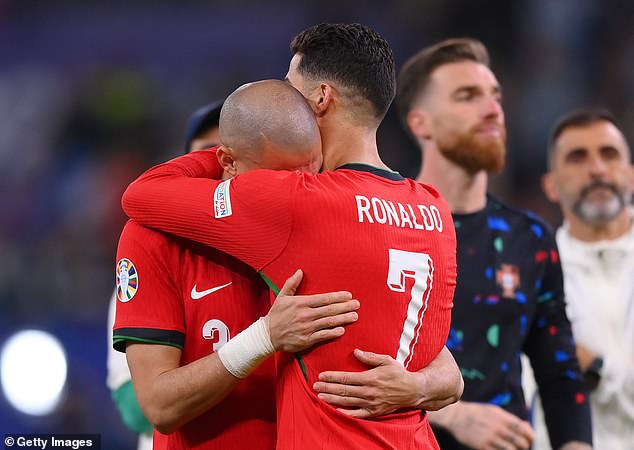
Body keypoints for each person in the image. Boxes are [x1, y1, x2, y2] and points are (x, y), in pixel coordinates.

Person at [121, 23, 462, 449]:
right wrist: (420, 386)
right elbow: (440, 359)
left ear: (321, 98)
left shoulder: (300, 201)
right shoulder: (433, 209)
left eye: (290, 88)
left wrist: (241, 146)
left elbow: (142, 193)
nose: (283, 101)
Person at [113, 80, 363, 450]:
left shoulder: (330, 219)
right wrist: (264, 338)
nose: (298, 194)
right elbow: (158, 406)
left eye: (309, 176)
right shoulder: (152, 237)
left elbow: (439, 364)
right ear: (227, 162)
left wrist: (424, 386)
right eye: (282, 177)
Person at [396, 38, 592, 450]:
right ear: (421, 124)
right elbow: (346, 364)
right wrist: (453, 413)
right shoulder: (385, 223)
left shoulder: (531, 237)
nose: (492, 109)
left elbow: (559, 373)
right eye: (467, 96)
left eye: (495, 96)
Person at [106, 99, 225, 450]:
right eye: (206, 153)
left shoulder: (265, 258)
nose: (219, 163)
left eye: (228, 151)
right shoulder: (150, 261)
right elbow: (137, 408)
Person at [531, 109, 634, 449]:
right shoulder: (532, 277)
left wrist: (597, 371)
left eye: (609, 154)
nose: (597, 169)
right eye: (578, 157)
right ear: (550, 185)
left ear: (631, 175)